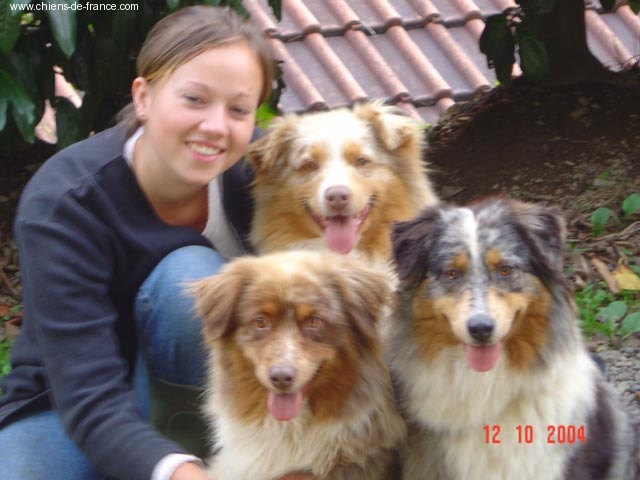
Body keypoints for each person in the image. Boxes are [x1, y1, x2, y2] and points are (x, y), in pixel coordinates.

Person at [0, 6, 312, 480]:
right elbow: (89, 393)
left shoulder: (268, 173)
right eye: (194, 99)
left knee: (190, 278)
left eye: (238, 109)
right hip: (77, 397)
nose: (216, 126)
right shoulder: (66, 202)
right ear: (144, 97)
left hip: (234, 394)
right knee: (190, 277)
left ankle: (211, 451)